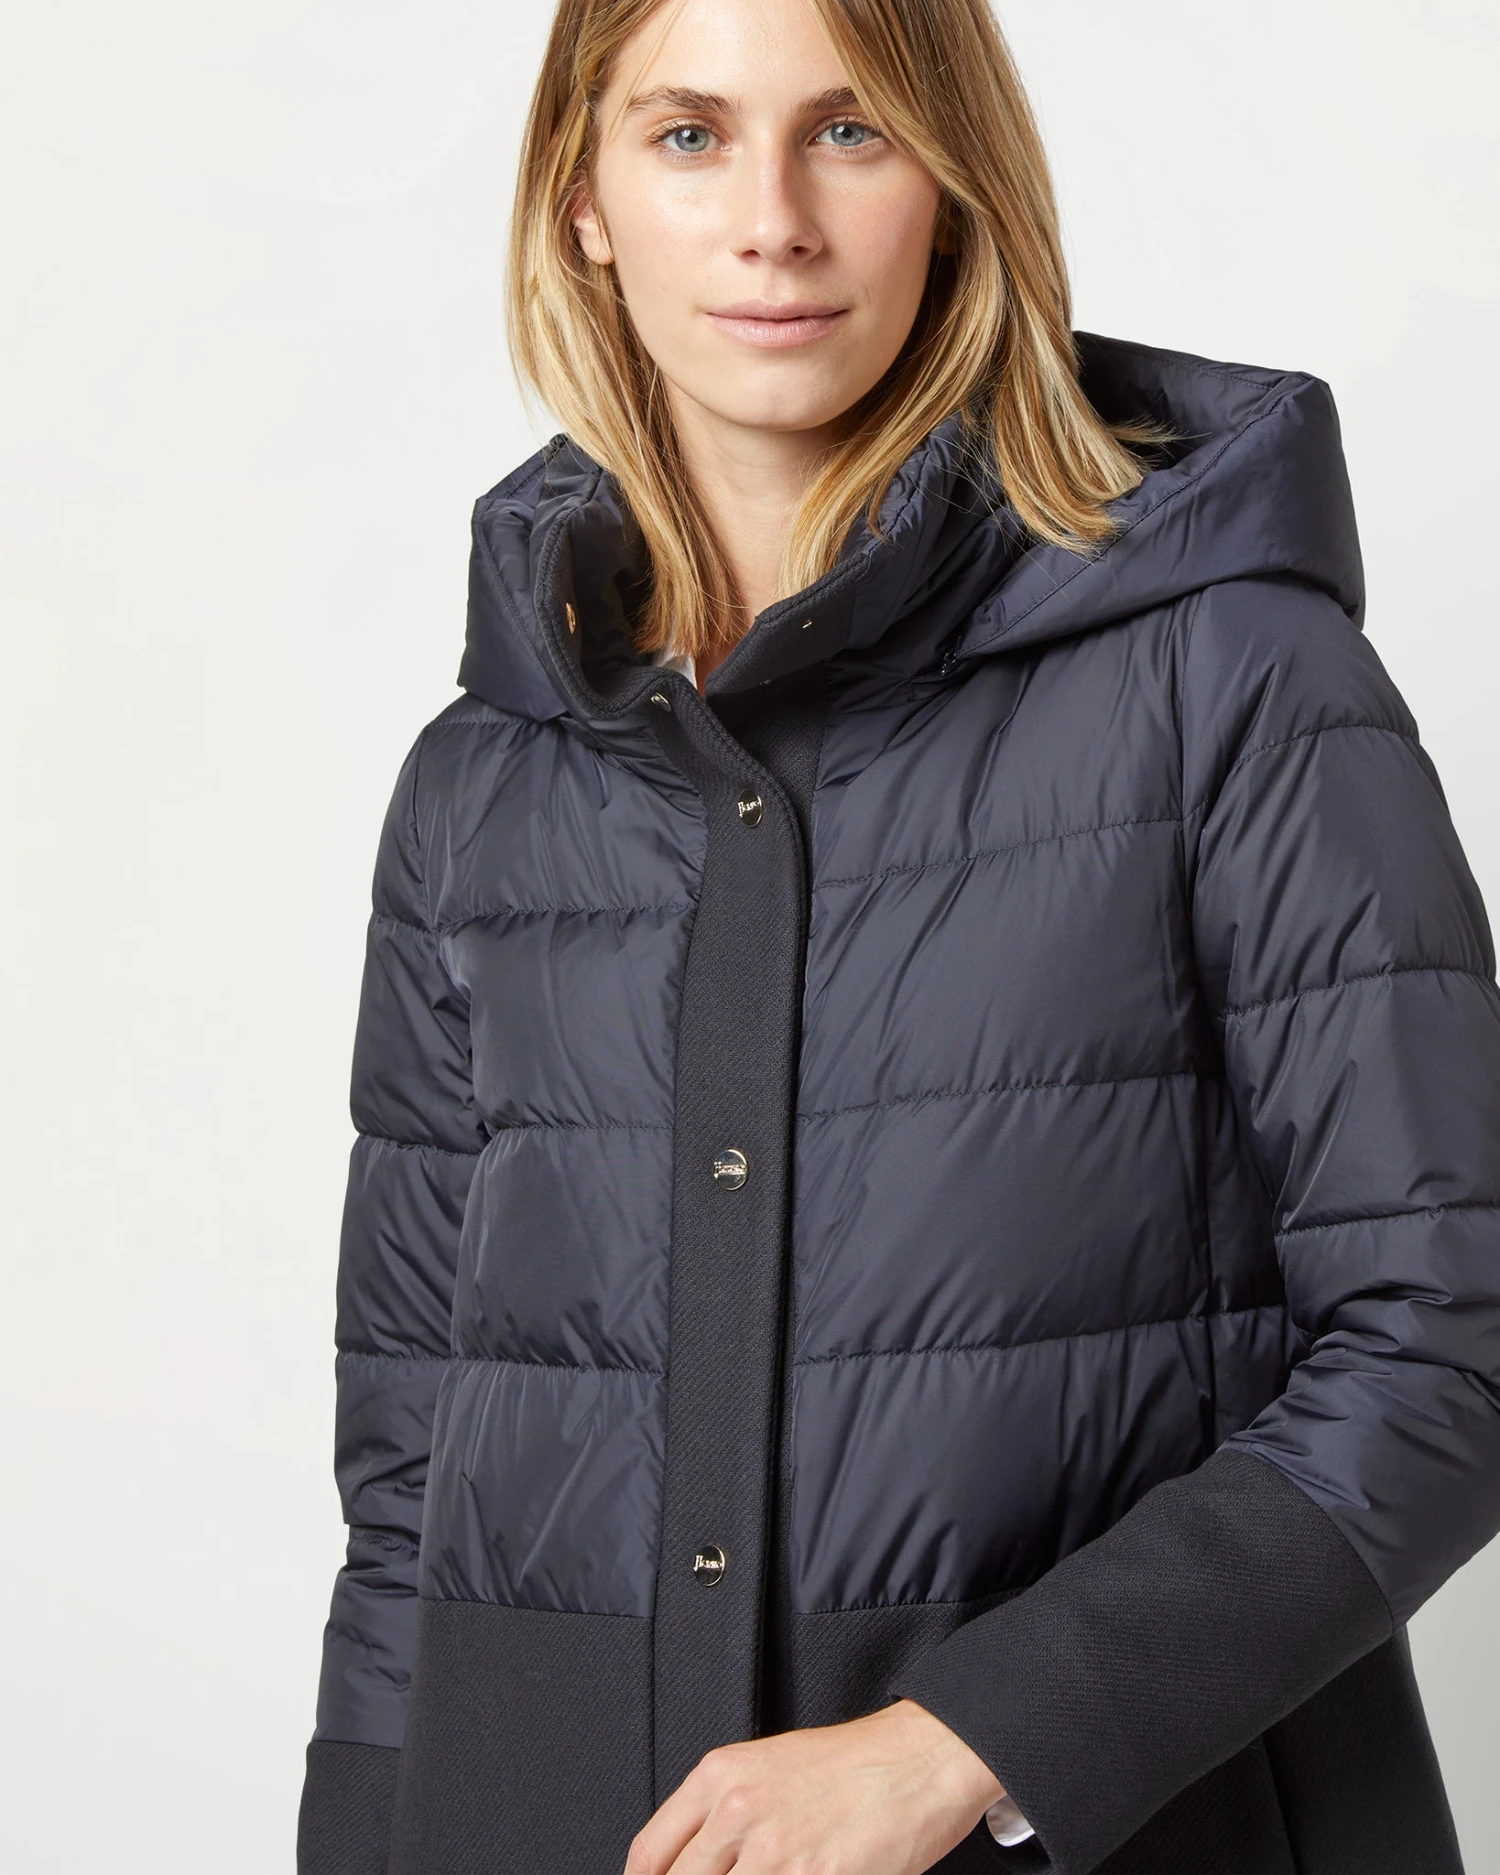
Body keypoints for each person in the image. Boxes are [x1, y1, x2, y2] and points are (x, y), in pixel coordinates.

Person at [295, 0, 1500, 1870]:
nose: (772, 220)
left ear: (956, 181)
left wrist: (967, 1742)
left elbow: (1451, 1338)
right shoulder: (482, 783)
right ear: (584, 201)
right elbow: (410, 1481)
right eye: (689, 135)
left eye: (850, 132)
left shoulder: (1233, 679)